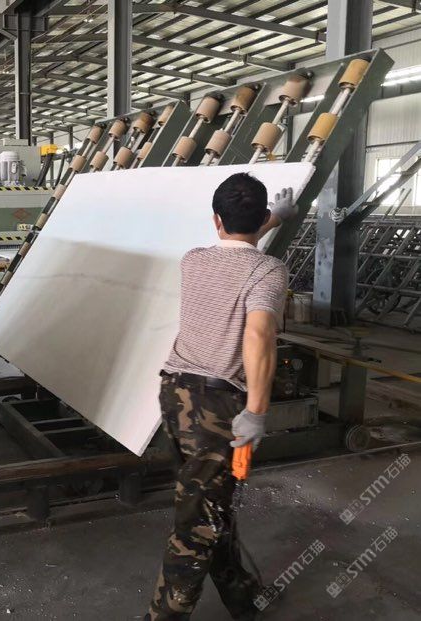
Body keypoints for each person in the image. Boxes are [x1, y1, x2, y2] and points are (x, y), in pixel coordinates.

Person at [147, 173, 297, 620]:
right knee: (197, 525)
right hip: (216, 411)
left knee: (210, 503)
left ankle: (243, 597)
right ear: (261, 216)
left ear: (216, 220)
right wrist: (257, 411)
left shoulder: (193, 260)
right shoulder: (268, 271)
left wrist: (270, 219)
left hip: (174, 395)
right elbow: (259, 336)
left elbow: (235, 244)